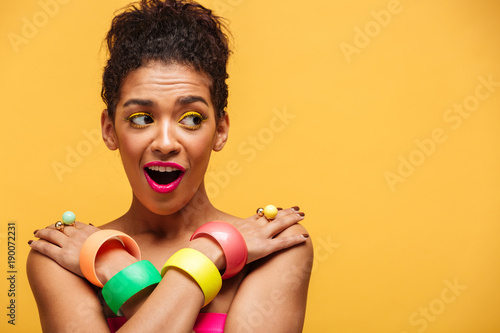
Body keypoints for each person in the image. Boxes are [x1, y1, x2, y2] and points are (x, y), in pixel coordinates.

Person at [27, 0, 313, 332]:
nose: (165, 143)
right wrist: (209, 254)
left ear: (220, 130)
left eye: (191, 118)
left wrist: (119, 272)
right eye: (141, 118)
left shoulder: (276, 244)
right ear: (109, 129)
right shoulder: (61, 256)